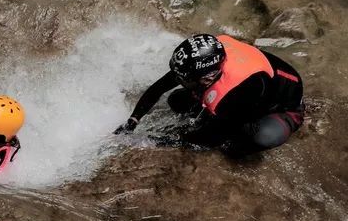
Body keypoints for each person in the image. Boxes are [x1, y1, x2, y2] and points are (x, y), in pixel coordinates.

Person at [116, 33, 304, 154]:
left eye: (186, 80)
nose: (179, 81)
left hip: (283, 105)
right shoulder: (200, 61)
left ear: (208, 77)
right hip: (253, 83)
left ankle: (290, 119)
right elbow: (159, 87)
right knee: (176, 101)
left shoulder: (244, 87)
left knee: (241, 145)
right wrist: (133, 120)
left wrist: (154, 141)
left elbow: (209, 139)